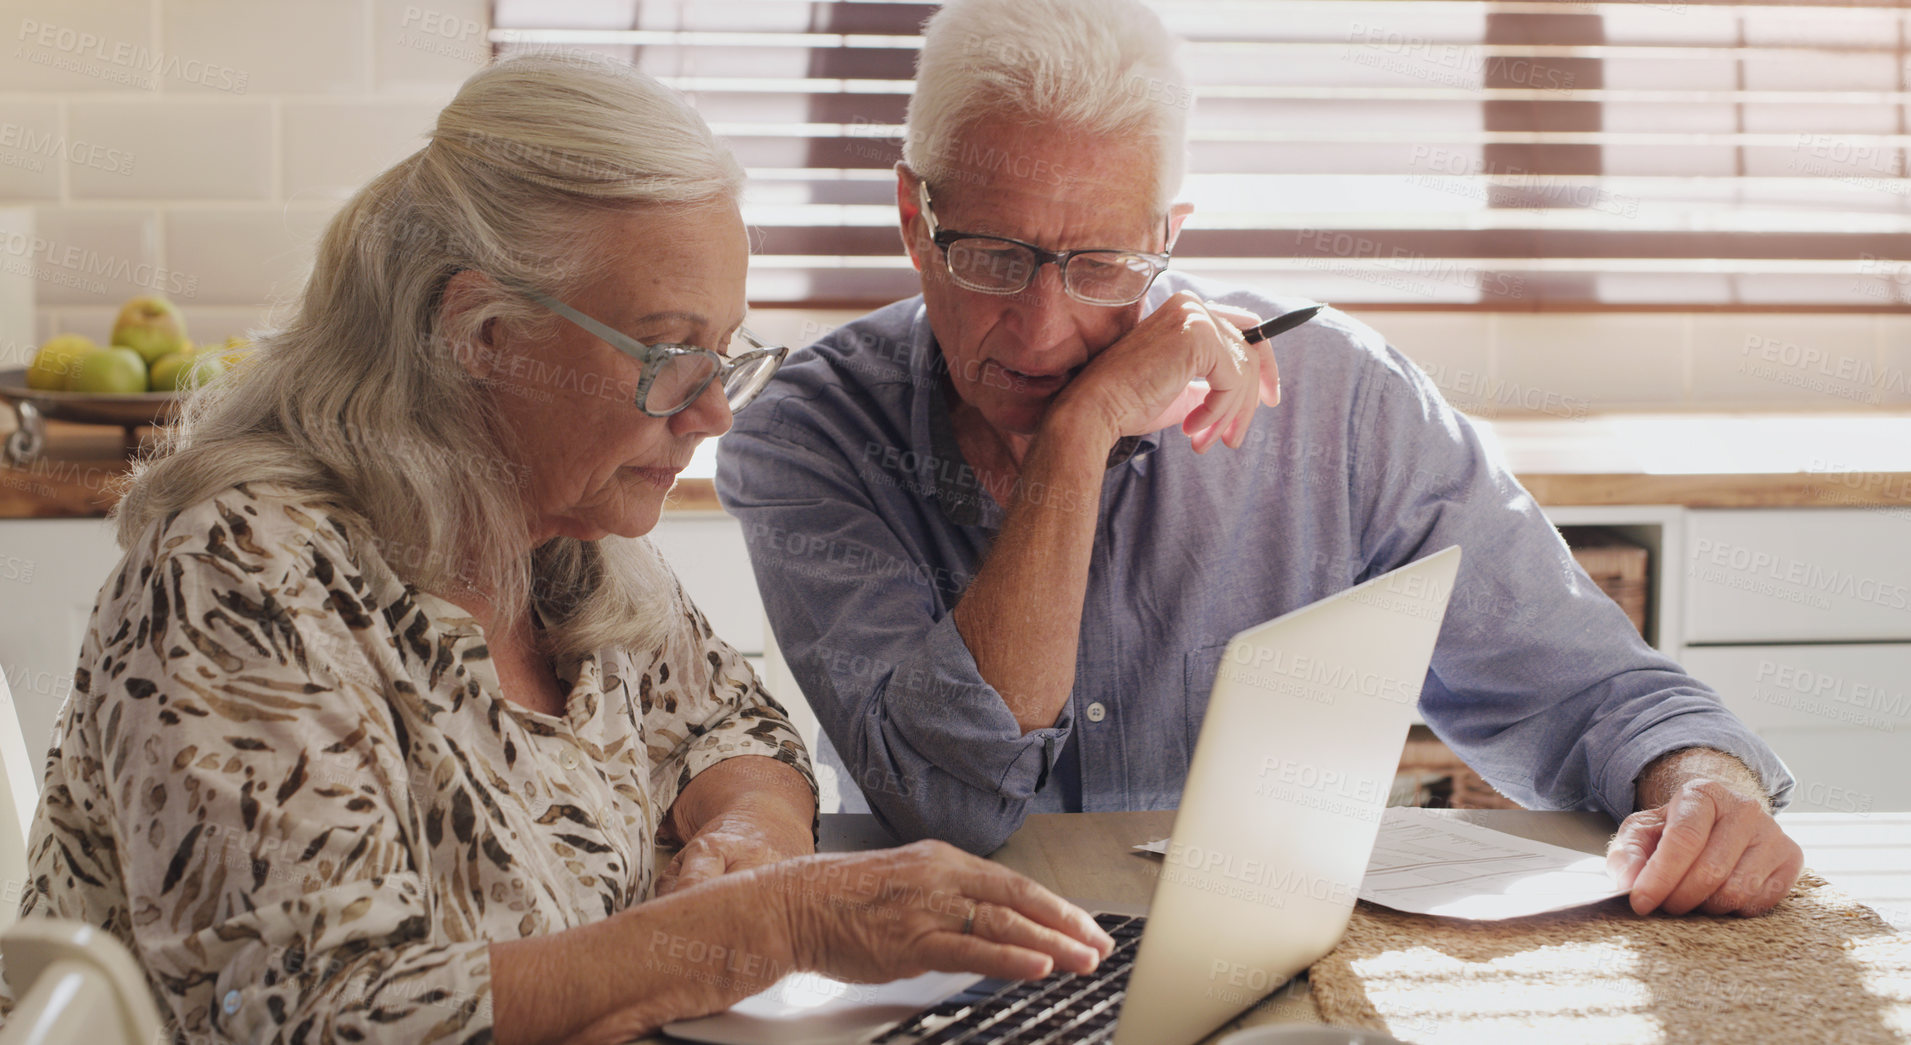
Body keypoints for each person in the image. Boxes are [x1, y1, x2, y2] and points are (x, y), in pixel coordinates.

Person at [0, 55, 1114, 1045]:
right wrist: (780, 919)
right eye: (670, 353)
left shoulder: (565, 529)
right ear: (481, 336)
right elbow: (319, 1012)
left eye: (725, 352)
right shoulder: (238, 575)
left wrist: (746, 830)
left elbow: (734, 723)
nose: (712, 412)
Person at [716, 0, 1806, 919]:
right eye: (997, 258)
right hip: (944, 976)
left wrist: (1701, 783)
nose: (1044, 331)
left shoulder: (1341, 399)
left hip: (1275, 971)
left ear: (1169, 240)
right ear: (915, 217)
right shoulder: (807, 438)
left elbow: (1588, 690)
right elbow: (951, 801)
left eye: (1100, 266)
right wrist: (1082, 434)